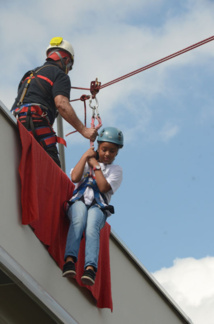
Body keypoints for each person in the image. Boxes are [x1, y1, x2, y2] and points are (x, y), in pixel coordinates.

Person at [11, 36, 97, 167]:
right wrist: (84, 130)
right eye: (70, 67)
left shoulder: (29, 74)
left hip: (15, 121)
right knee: (53, 170)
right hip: (35, 121)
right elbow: (62, 104)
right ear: (67, 60)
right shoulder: (60, 75)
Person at [62, 127, 124, 285]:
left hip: (98, 207)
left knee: (91, 226)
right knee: (79, 218)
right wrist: (85, 157)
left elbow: (103, 187)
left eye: (112, 151)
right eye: (104, 149)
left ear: (116, 153)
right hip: (79, 201)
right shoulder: (88, 161)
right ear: (98, 147)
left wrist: (95, 165)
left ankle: (90, 268)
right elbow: (75, 177)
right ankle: (70, 260)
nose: (107, 154)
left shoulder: (116, 170)